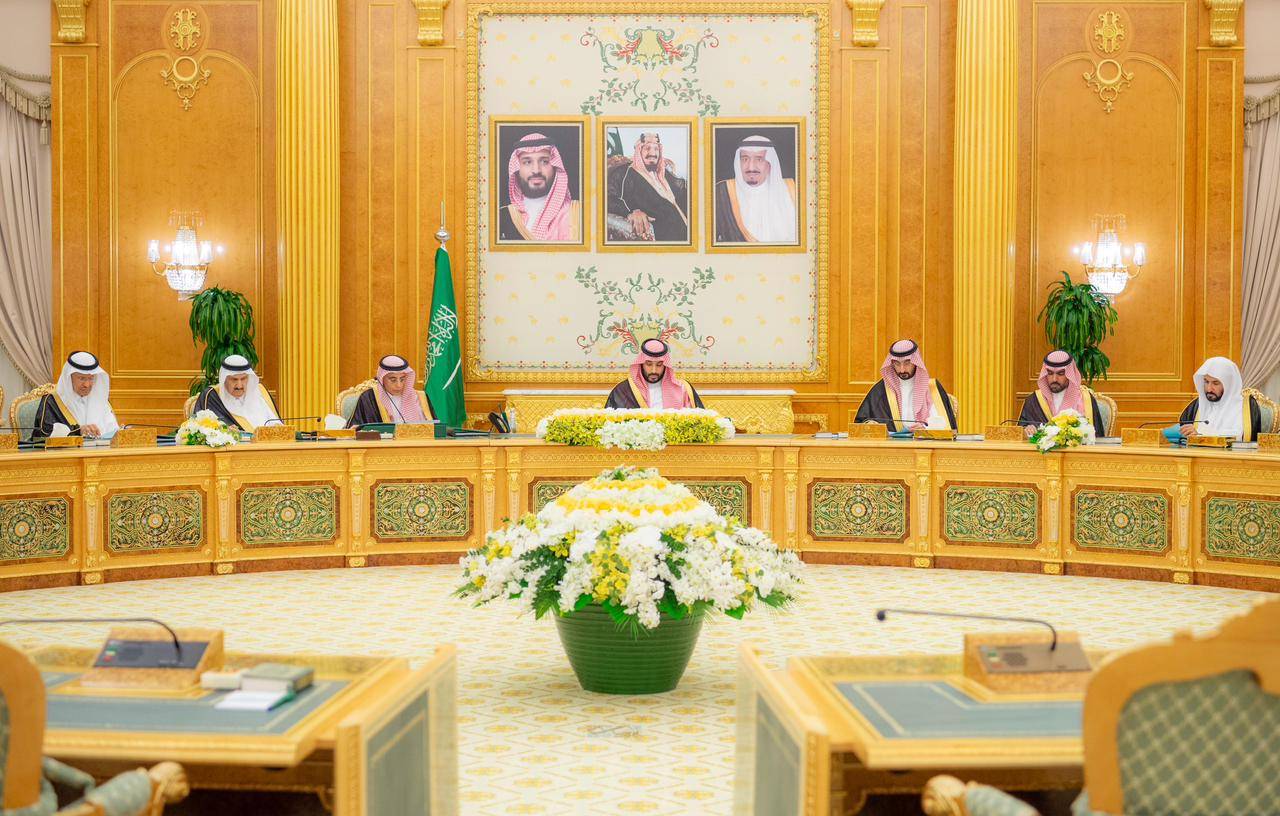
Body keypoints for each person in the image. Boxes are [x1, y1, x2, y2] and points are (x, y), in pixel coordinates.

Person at [854, 340, 957, 431]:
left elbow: (945, 425)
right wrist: (871, 425)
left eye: (907, 363)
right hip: (892, 445)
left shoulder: (932, 388)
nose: (902, 369)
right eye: (897, 364)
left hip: (924, 442)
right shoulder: (881, 389)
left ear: (915, 362)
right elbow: (862, 422)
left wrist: (925, 428)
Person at [713, 134, 798, 244]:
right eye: (745, 159)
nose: (751, 167)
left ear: (770, 164)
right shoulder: (721, 193)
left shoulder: (793, 191)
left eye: (759, 159)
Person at [497, 132, 581, 242]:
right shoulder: (501, 217)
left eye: (544, 162)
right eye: (527, 162)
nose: (536, 170)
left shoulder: (579, 214)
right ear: (517, 168)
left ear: (555, 167)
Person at [606, 132, 689, 243]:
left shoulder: (663, 173)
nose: (653, 153)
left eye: (656, 149)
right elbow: (607, 198)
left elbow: (683, 191)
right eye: (647, 148)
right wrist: (631, 212)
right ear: (639, 150)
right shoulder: (624, 173)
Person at [32, 351, 120, 440]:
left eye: (91, 378)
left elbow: (113, 431)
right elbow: (44, 434)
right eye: (82, 378)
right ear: (69, 377)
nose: (87, 385)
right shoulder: (53, 401)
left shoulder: (101, 400)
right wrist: (78, 431)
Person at [1018, 350, 1104, 434]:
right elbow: (1021, 431)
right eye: (1050, 373)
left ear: (1069, 374)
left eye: (1060, 374)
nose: (1054, 379)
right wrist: (1027, 429)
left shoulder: (1085, 399)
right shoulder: (1034, 401)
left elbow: (1097, 436)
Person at [605, 338, 704, 410]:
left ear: (665, 365)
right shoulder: (624, 390)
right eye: (648, 364)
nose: (654, 370)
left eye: (659, 365)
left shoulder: (683, 389)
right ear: (641, 364)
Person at [1178, 357, 1262, 441]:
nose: (1209, 389)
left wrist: (1200, 434)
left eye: (1215, 383)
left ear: (1229, 384)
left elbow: (1241, 436)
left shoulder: (1245, 406)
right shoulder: (1196, 406)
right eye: (1206, 382)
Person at [192, 354, 280, 431]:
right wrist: (224, 430)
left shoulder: (260, 392)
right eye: (234, 379)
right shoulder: (212, 396)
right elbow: (200, 427)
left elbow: (276, 423)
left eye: (243, 379)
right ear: (224, 379)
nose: (239, 385)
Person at [347, 355, 435, 427]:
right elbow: (356, 430)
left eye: (402, 379)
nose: (399, 385)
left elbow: (435, 429)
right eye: (393, 380)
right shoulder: (369, 398)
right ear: (382, 378)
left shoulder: (420, 398)